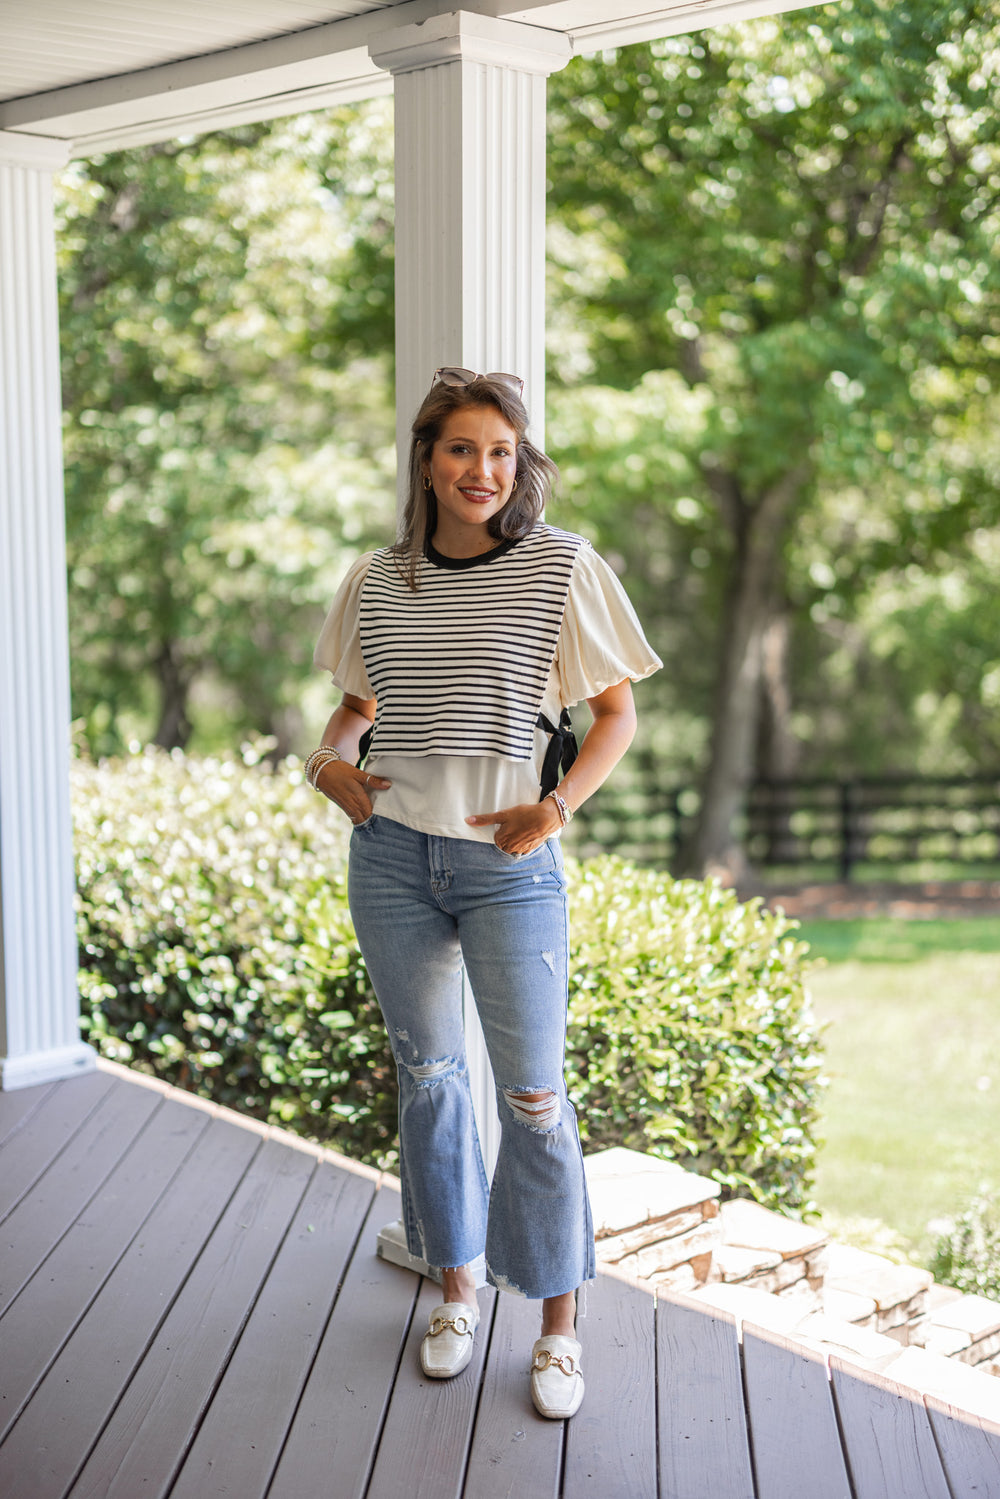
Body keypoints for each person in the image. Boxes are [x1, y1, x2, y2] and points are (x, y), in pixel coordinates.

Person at [306, 367, 661, 1420]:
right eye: (462, 448)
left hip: (512, 868)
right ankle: (454, 1291)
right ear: (426, 458)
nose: (483, 469)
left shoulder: (562, 567)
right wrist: (326, 767)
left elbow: (615, 716)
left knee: (535, 1098)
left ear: (521, 465)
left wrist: (552, 811)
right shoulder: (379, 579)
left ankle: (557, 1329)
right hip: (393, 858)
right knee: (429, 1079)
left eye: (502, 451)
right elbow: (352, 711)